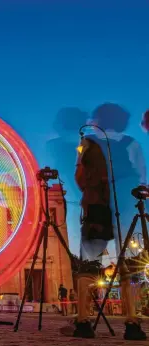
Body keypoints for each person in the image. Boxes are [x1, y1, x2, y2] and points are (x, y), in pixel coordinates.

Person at [64, 103, 147, 340]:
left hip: (97, 208)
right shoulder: (132, 144)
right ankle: (132, 323)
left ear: (99, 120)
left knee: (88, 264)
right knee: (128, 268)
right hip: (125, 207)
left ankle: (83, 321)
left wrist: (90, 194)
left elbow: (79, 175)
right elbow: (141, 180)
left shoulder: (86, 143)